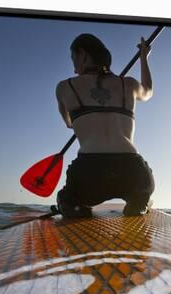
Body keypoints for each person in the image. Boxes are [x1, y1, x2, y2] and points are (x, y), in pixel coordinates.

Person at [54, 33, 155, 218]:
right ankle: (139, 202)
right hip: (133, 172)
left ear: (83, 55)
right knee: (141, 192)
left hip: (89, 175)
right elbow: (148, 91)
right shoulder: (129, 84)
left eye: (73, 59)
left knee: (67, 197)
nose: (74, 68)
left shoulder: (64, 87)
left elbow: (69, 123)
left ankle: (72, 206)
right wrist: (143, 58)